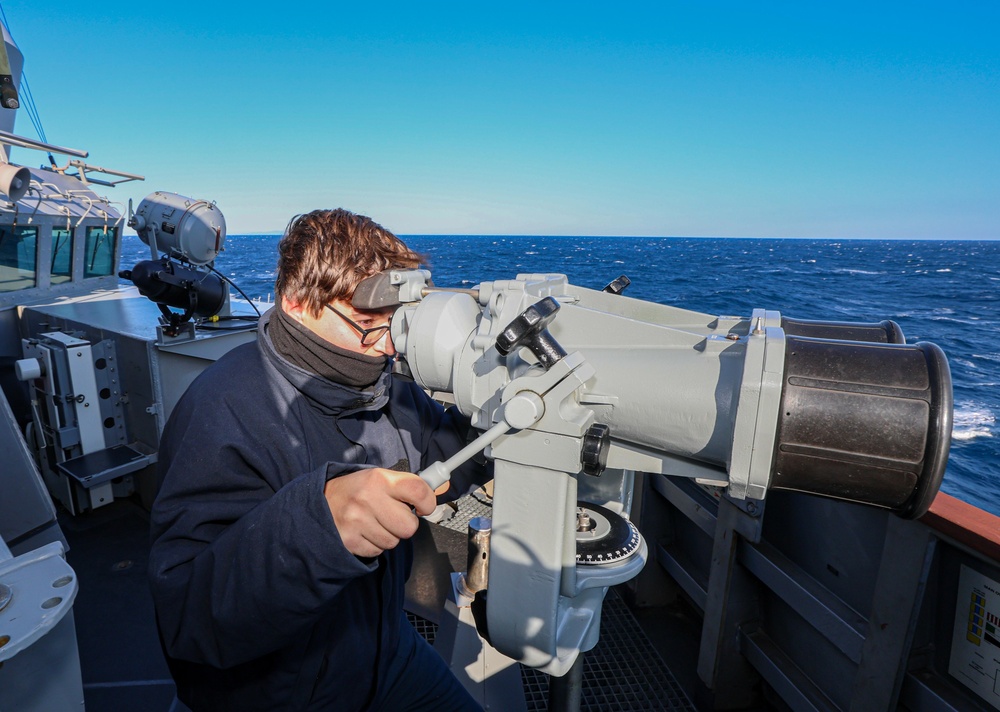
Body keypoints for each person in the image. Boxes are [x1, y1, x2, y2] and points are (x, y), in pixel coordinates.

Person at [148, 209, 486, 711]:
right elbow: (189, 620)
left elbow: (445, 455)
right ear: (297, 302)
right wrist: (318, 525)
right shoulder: (222, 412)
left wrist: (501, 419)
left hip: (382, 654)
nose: (390, 348)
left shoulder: (381, 384)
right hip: (279, 692)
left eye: (398, 325)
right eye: (369, 324)